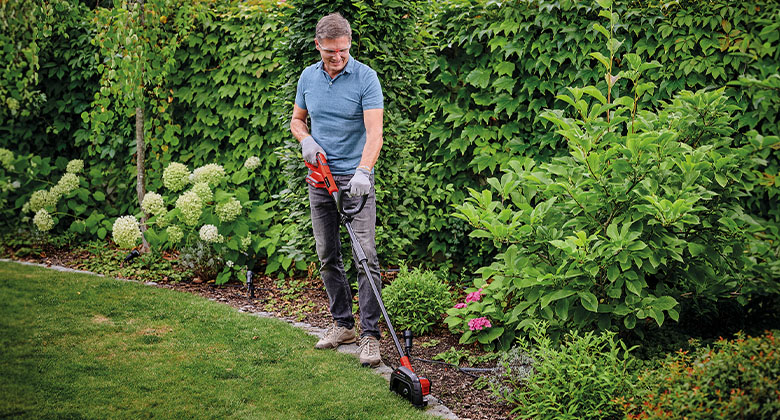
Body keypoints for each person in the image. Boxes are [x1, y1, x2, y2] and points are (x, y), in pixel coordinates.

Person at [289, 12, 384, 368]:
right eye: (331, 52)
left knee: (366, 257)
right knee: (328, 254)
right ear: (319, 46)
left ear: (348, 44)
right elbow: (297, 120)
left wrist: (364, 170)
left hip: (355, 182)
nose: (338, 57)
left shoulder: (365, 78)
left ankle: (370, 337)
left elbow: (374, 133)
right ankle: (343, 325)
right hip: (320, 179)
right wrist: (306, 139)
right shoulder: (307, 78)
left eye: (343, 51)